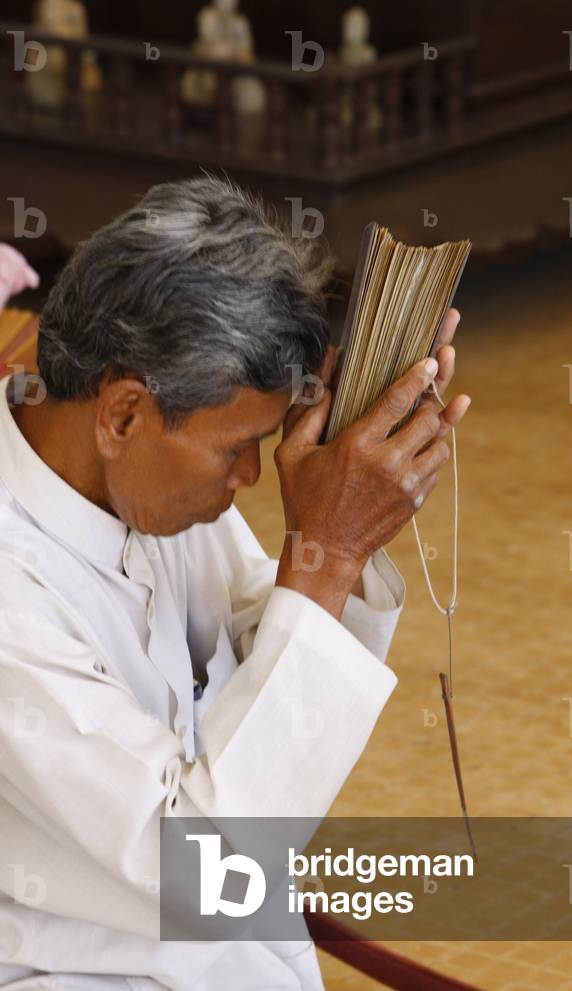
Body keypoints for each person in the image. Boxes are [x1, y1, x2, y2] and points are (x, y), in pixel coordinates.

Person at [0, 176, 470, 990]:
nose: (252, 476)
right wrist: (328, 548)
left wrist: (339, 532)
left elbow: (263, 678)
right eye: (236, 448)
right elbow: (201, 878)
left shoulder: (144, 482)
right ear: (122, 414)